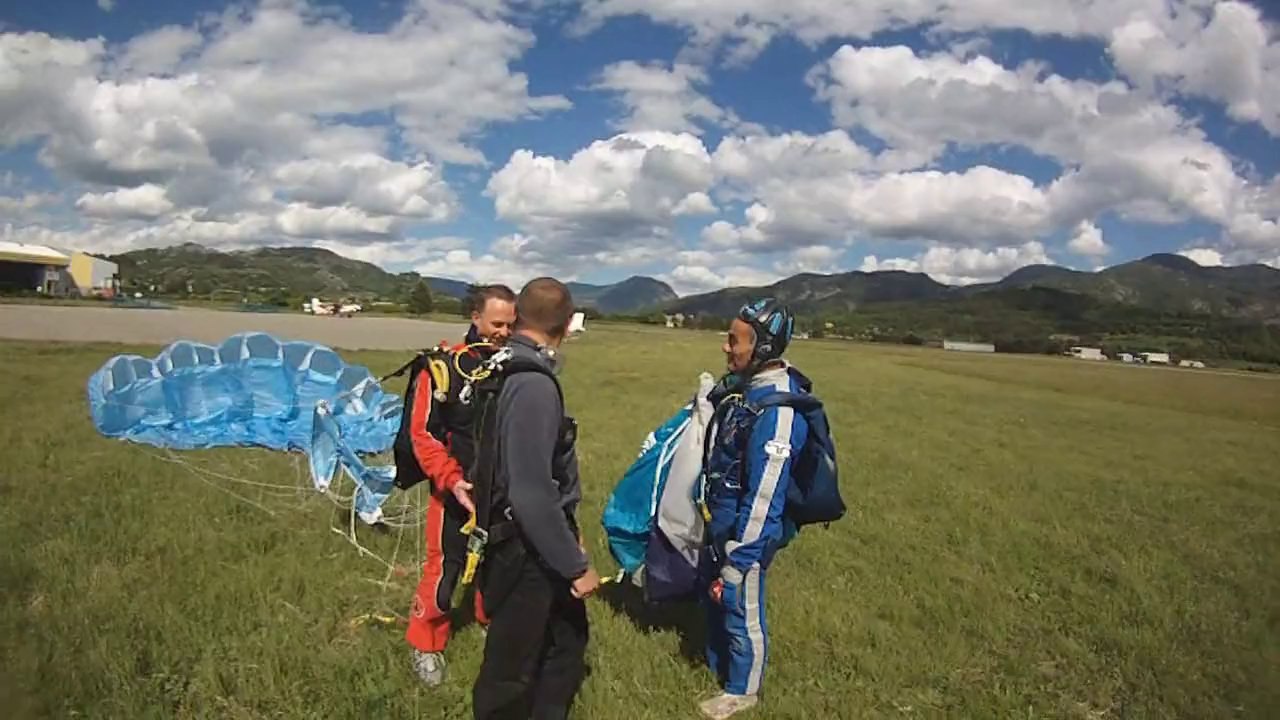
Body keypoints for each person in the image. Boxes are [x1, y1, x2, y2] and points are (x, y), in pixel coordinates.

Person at [469, 277, 601, 720]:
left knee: (566, 641)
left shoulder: (501, 363)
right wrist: (575, 565)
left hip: (523, 534)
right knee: (510, 670)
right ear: (565, 326)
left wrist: (569, 530)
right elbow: (530, 489)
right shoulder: (533, 384)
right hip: (524, 548)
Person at [397, 284, 517, 687]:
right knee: (445, 569)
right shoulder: (443, 368)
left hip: (501, 490)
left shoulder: (515, 368)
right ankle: (426, 643)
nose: (503, 332)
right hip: (454, 491)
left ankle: (489, 621)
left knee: (498, 563)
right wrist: (452, 480)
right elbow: (423, 435)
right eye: (496, 324)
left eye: (510, 325)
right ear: (475, 317)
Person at [698, 298, 808, 720]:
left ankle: (743, 692)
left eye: (734, 341)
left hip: (748, 534)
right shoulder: (747, 390)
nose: (726, 348)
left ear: (762, 348)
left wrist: (741, 557)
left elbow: (765, 496)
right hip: (722, 523)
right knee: (717, 601)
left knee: (742, 607)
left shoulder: (779, 411)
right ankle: (717, 666)